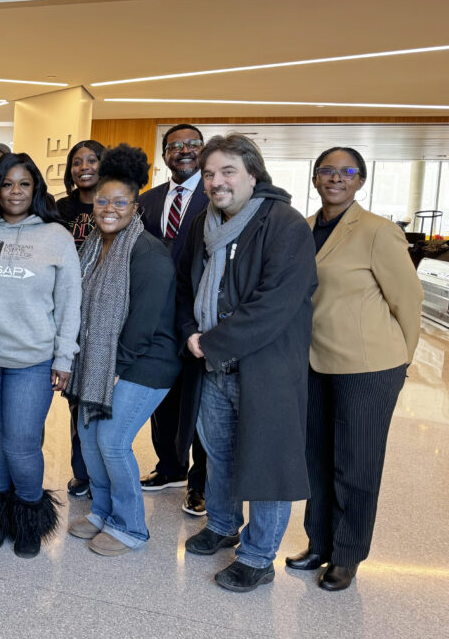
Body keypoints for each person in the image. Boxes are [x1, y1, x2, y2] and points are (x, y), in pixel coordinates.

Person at [176, 133, 317, 593]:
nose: (217, 182)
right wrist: (190, 334)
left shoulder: (285, 224)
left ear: (253, 174)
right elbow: (185, 287)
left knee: (265, 466)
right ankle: (221, 524)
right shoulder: (204, 222)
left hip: (264, 370)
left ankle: (257, 557)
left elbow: (275, 304)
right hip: (212, 369)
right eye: (210, 173)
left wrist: (212, 341)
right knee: (217, 456)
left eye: (228, 171)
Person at [285, 147, 423, 591]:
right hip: (313, 362)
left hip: (367, 366)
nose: (336, 178)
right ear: (315, 178)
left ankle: (347, 555)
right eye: (327, 171)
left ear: (360, 180)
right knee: (316, 459)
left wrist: (401, 362)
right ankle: (320, 543)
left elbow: (408, 300)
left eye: (347, 172)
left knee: (356, 464)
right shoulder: (303, 229)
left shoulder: (379, 232)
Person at [0, 153, 81, 558]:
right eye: (7, 184)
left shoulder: (56, 236)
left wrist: (64, 358)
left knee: (22, 442)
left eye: (24, 184)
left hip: (32, 358)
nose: (15, 192)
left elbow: (70, 302)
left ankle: (28, 516)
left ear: (36, 189)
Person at [65, 144, 180, 556]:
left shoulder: (147, 252)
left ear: (135, 205)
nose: (109, 208)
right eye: (102, 200)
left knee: (111, 440)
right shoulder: (93, 246)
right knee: (86, 431)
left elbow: (143, 326)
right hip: (102, 360)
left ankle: (131, 527)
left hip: (146, 362)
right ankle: (103, 510)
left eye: (120, 202)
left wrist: (112, 371)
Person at [137, 123, 210, 516]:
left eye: (191, 144)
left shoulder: (217, 195)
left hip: (200, 320)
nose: (182, 150)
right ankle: (170, 467)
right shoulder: (147, 201)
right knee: (159, 398)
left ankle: (200, 484)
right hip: (157, 321)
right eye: (173, 146)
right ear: (164, 154)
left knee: (199, 404)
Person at [55, 139, 105, 500]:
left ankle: (104, 470)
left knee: (101, 394)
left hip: (105, 309)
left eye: (91, 160)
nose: (83, 166)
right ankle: (82, 471)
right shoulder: (61, 208)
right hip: (70, 308)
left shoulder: (115, 202)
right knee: (76, 396)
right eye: (76, 161)